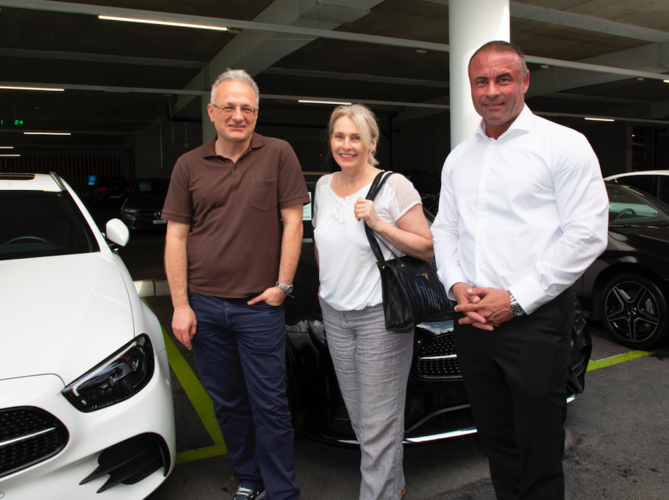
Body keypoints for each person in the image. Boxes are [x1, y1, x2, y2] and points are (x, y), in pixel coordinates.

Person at [431, 41, 609, 499]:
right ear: (470, 87)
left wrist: (514, 299)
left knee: (538, 444)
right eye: (481, 81)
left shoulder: (563, 145)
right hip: (471, 318)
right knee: (495, 438)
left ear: (525, 81)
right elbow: (446, 229)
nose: (492, 91)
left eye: (503, 79)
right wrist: (456, 286)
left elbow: (587, 234)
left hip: (535, 320)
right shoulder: (459, 158)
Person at [161, 69, 309, 500]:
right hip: (204, 308)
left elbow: (293, 223)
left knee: (271, 407)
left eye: (247, 108)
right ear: (212, 112)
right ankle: (250, 479)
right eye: (229, 107)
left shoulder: (279, 153)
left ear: (256, 113)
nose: (238, 115)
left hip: (259, 307)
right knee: (227, 404)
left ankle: (282, 492)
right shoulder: (188, 165)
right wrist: (180, 305)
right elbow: (176, 237)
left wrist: (283, 285)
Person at [312, 104, 434, 500]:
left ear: (372, 143)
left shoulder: (392, 185)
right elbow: (321, 241)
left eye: (356, 137)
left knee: (379, 423)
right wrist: (323, 282)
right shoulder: (322, 186)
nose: (346, 145)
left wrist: (379, 224)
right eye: (339, 136)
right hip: (335, 314)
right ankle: (393, 487)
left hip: (379, 316)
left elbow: (429, 248)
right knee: (365, 420)